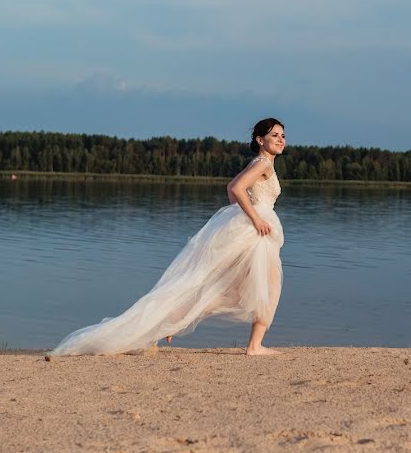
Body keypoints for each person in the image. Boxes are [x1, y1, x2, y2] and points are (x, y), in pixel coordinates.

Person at [51, 118, 286, 357]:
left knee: (231, 288)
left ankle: (174, 322)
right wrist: (255, 219)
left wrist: (243, 217)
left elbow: (232, 187)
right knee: (265, 286)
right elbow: (236, 189)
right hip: (258, 231)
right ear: (260, 140)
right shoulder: (263, 164)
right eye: (275, 135)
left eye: (282, 136)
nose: (281, 140)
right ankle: (254, 347)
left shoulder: (260, 163)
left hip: (253, 230)